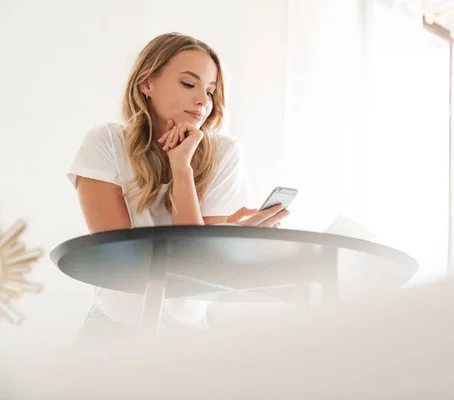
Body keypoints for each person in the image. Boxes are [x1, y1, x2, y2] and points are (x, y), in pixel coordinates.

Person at [67, 32, 289, 344]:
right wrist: (215, 238)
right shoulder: (105, 143)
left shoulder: (224, 152)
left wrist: (182, 167)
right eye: (188, 84)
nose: (203, 100)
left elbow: (196, 267)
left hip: (191, 333)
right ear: (147, 83)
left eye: (210, 92)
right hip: (115, 330)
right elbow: (119, 261)